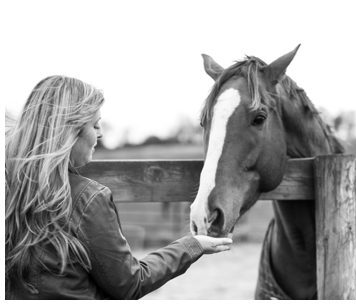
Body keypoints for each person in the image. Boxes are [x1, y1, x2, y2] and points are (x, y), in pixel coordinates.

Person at [5, 75, 233, 299]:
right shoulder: (88, 199)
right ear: (70, 131)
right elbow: (130, 284)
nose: (101, 133)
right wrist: (192, 246)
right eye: (94, 125)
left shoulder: (10, 187)